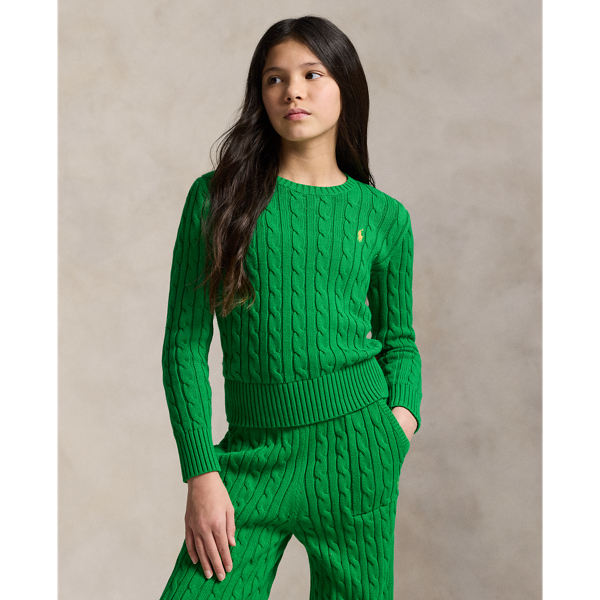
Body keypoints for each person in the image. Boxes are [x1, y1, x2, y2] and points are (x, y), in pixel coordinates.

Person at [158, 15, 422, 600]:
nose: (292, 91)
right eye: (274, 79)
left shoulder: (384, 217)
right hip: (251, 454)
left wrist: (397, 425)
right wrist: (201, 470)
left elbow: (399, 341)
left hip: (357, 452)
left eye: (311, 74)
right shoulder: (216, 199)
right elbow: (184, 345)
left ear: (346, 87)